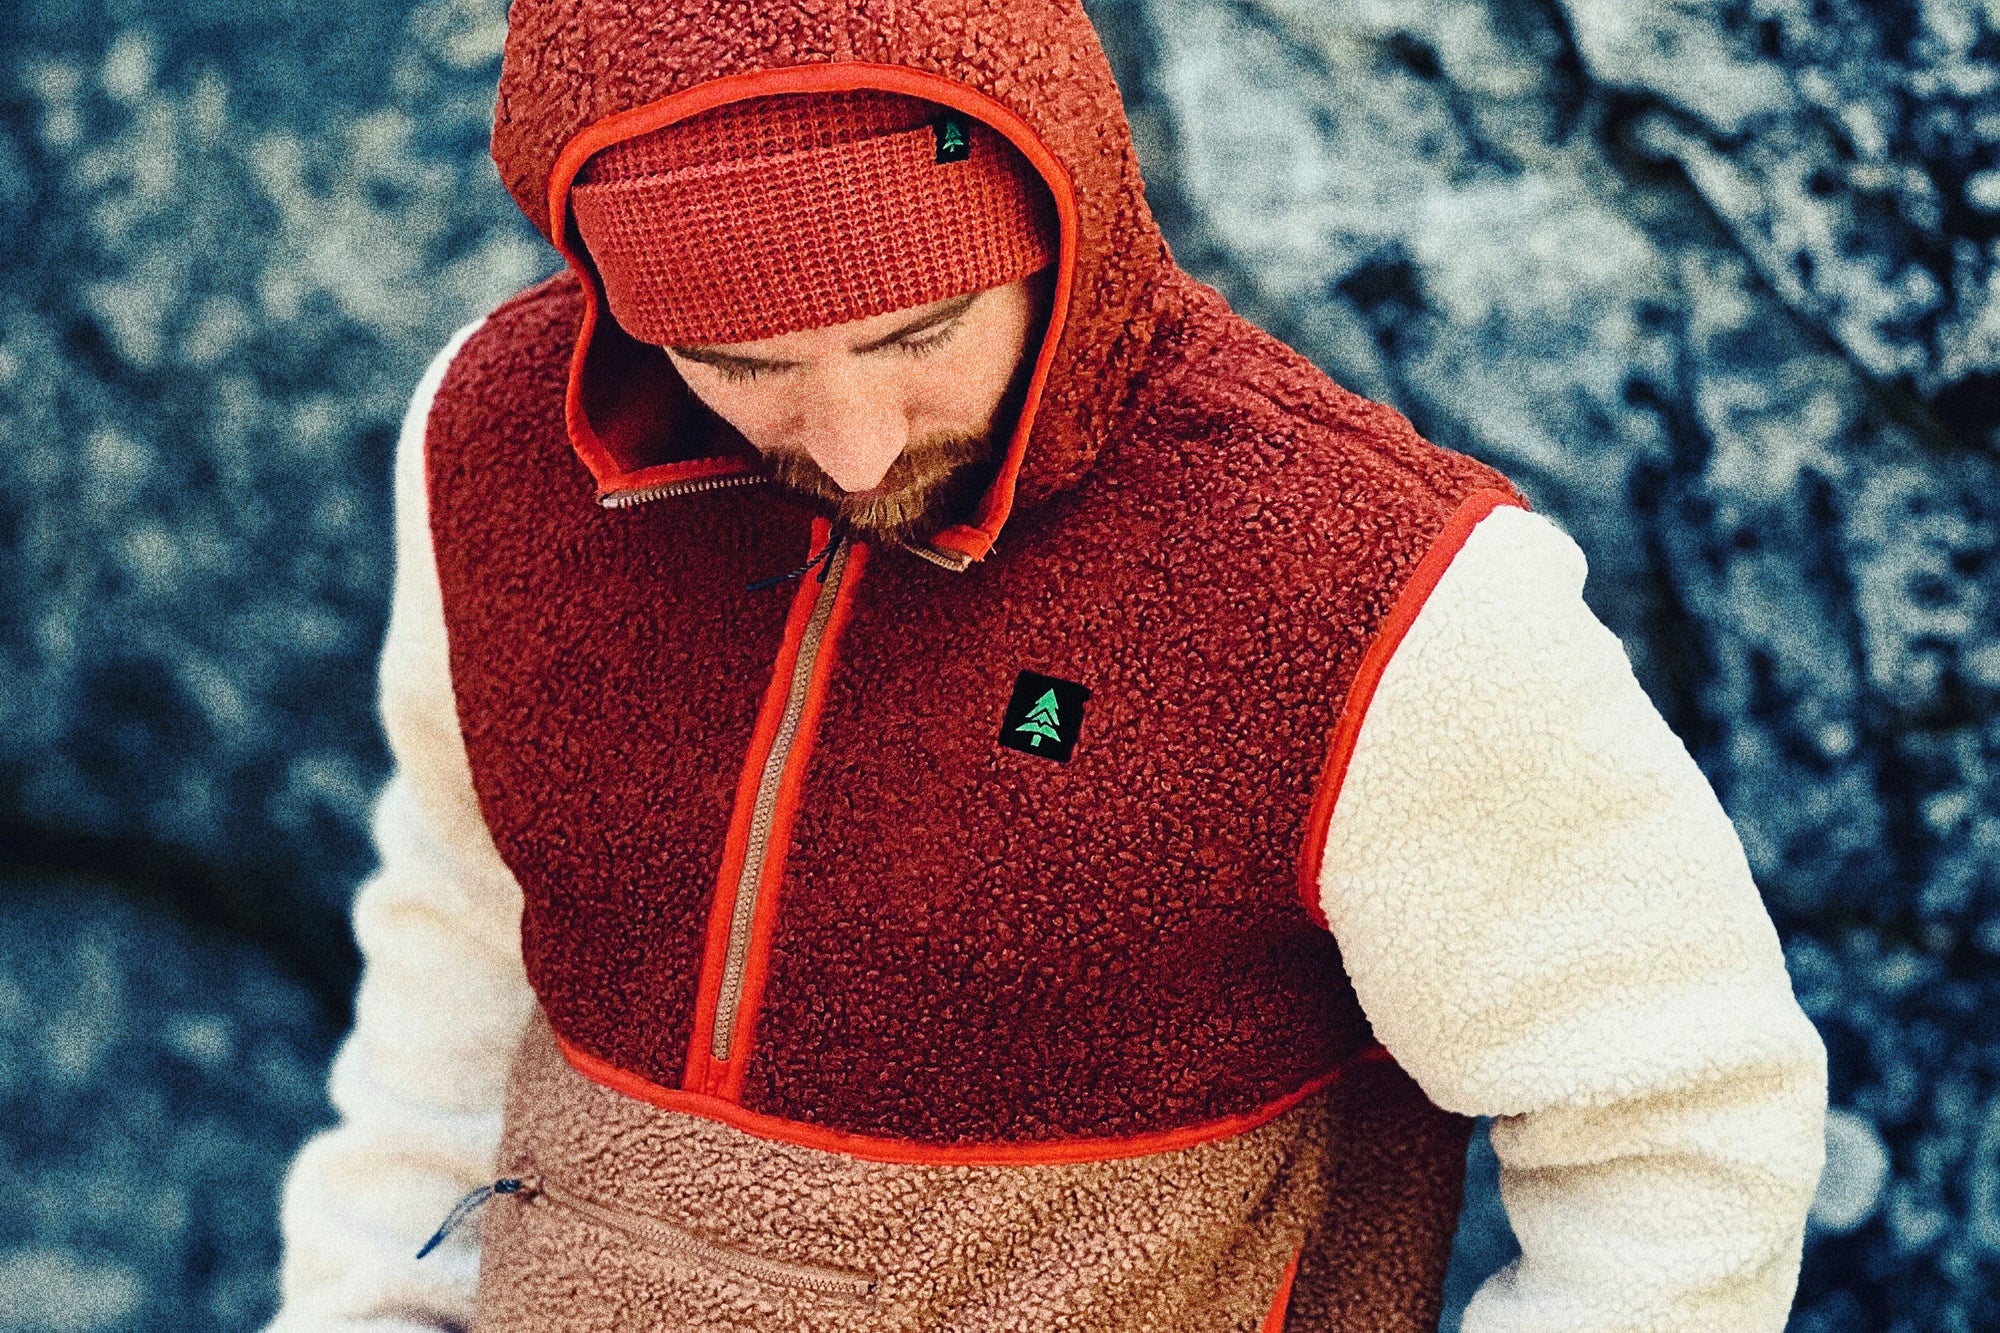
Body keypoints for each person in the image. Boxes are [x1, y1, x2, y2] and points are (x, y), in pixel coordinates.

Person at [268, 1, 1829, 1329]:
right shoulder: (492, 447)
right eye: (741, 361)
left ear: (1057, 200)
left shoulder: (1368, 585)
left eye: (916, 333)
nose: (852, 446)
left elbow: (1685, 1120)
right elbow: (461, 936)